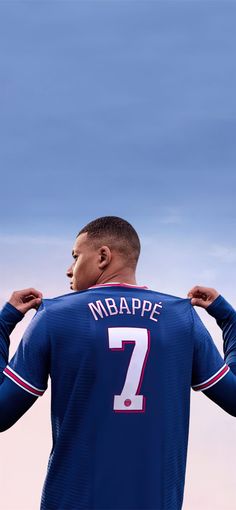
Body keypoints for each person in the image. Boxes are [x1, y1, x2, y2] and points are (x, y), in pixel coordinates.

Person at [0, 216, 236, 510]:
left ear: (102, 256)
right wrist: (229, 320)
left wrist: (4, 324)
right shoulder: (182, 319)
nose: (69, 269)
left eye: (75, 256)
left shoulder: (55, 316)